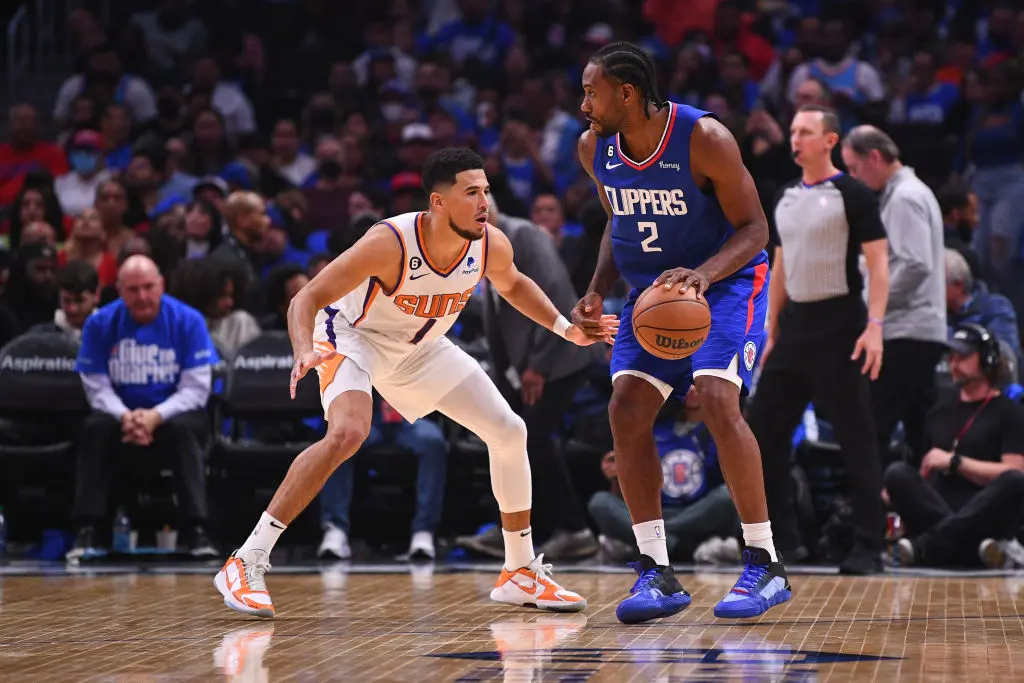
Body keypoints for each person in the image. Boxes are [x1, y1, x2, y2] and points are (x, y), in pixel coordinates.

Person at [214, 148, 617, 619]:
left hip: (420, 347)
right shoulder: (390, 242)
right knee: (347, 433)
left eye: (486, 190)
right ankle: (247, 560)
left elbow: (513, 283)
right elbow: (306, 297)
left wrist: (565, 328)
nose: (484, 201)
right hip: (353, 336)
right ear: (439, 202)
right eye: (471, 192)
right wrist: (304, 347)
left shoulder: (489, 243)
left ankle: (519, 571)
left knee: (509, 430)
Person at [573, 41, 790, 624]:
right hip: (652, 296)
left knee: (717, 398)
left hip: (725, 284)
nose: (583, 102)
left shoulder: (705, 138)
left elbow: (754, 229)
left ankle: (764, 562)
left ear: (628, 93)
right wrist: (596, 286)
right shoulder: (594, 148)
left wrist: (702, 276)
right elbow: (618, 221)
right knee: (625, 407)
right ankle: (655, 571)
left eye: (592, 91)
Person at [748, 105, 890, 574]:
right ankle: (780, 541)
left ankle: (870, 546)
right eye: (792, 131)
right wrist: (769, 328)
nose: (795, 139)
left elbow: (879, 265)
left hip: (842, 325)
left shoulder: (854, 194)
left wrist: (875, 326)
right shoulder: (785, 194)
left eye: (805, 132)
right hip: (794, 327)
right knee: (762, 434)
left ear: (830, 141)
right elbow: (781, 265)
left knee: (856, 439)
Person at [68, 255, 217, 560]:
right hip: (120, 418)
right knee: (95, 428)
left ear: (161, 285)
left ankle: (196, 531)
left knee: (184, 430)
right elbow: (95, 386)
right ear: (119, 290)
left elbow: (196, 389)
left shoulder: (189, 320)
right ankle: (89, 531)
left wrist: (154, 416)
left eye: (149, 287)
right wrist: (126, 417)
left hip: (173, 416)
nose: (142, 296)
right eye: (133, 289)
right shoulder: (99, 324)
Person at [841, 126, 948, 465]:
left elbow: (916, 265)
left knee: (872, 426)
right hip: (916, 330)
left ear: (874, 157)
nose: (852, 177)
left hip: (905, 332)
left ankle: (867, 510)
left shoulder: (905, 198)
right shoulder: (904, 195)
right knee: (923, 433)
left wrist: (874, 304)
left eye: (854, 168)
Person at [885, 324, 1024, 568]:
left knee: (1014, 481)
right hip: (939, 504)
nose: (953, 362)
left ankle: (925, 548)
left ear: (987, 359)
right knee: (896, 473)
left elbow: (1015, 471)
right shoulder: (939, 409)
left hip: (981, 506)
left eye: (963, 356)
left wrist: (956, 462)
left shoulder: (1009, 412)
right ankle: (976, 549)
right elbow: (925, 469)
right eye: (951, 356)